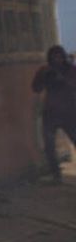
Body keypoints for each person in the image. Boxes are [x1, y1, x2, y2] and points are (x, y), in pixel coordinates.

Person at [31, 44, 76, 183]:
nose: (57, 59)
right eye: (54, 56)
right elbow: (36, 88)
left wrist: (63, 80)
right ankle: (56, 175)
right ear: (50, 58)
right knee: (49, 146)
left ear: (63, 57)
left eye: (59, 56)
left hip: (69, 112)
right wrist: (43, 76)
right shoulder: (45, 70)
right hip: (50, 112)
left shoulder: (71, 70)